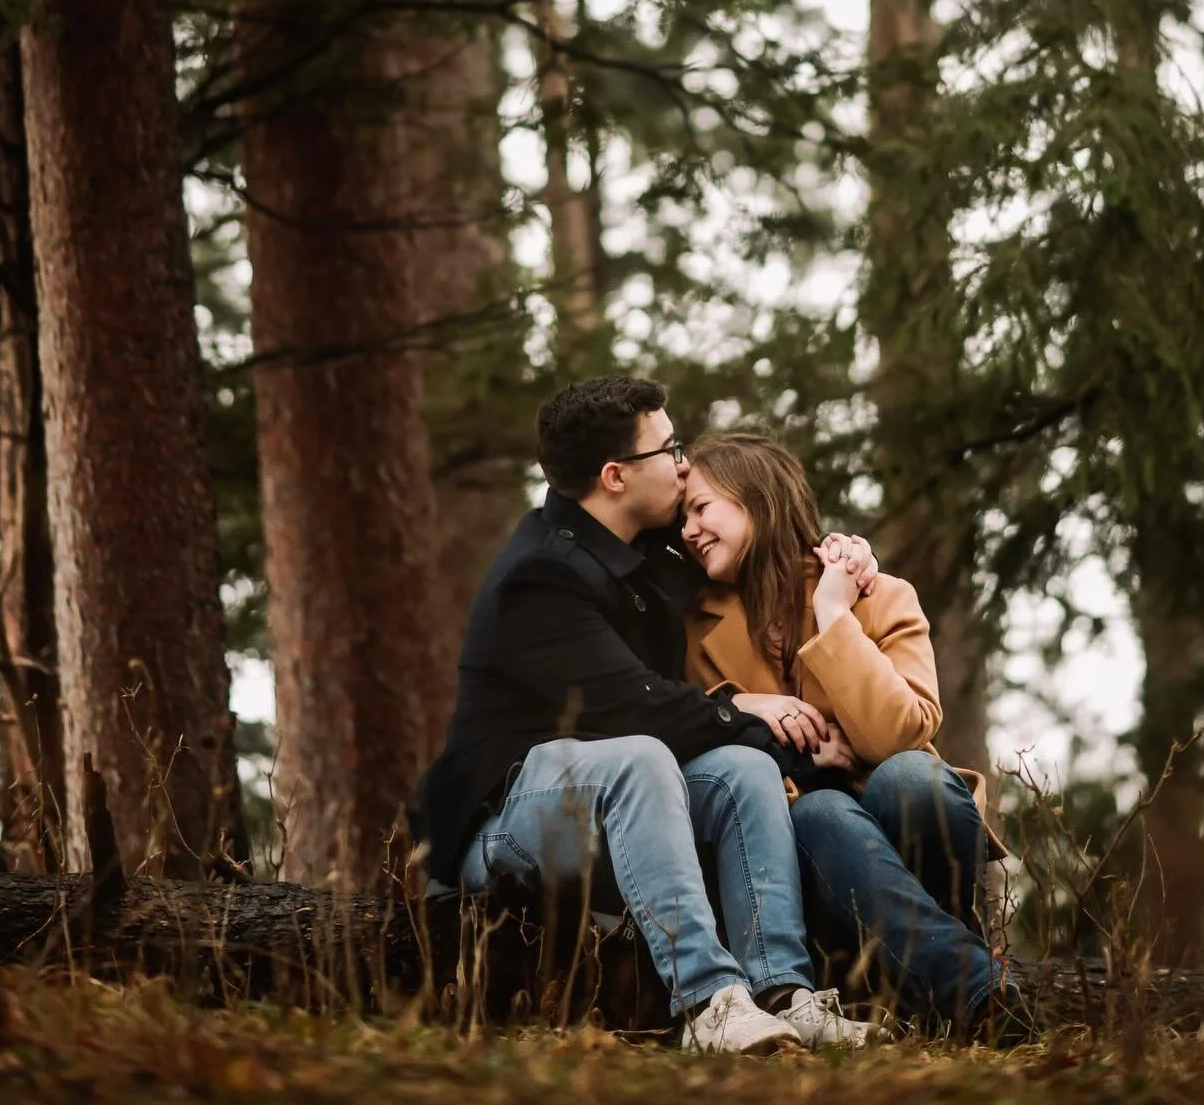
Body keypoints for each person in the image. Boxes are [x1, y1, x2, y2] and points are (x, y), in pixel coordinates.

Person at [409, 376, 886, 1054]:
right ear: (614, 476)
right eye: (670, 448)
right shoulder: (539, 575)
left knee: (741, 768)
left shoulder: (651, 548)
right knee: (641, 753)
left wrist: (839, 555)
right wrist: (773, 727)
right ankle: (709, 1004)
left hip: (619, 804)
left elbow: (755, 541)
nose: (685, 465)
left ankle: (783, 991)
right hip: (510, 824)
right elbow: (635, 710)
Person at [680, 429, 1035, 1041]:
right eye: (683, 515)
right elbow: (705, 750)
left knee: (913, 776)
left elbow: (904, 732)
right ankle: (977, 992)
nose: (688, 529)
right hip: (806, 870)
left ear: (756, 500)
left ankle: (924, 972)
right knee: (820, 813)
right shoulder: (693, 627)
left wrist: (835, 616)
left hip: (912, 831)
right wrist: (798, 751)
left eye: (701, 507)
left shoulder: (880, 595)